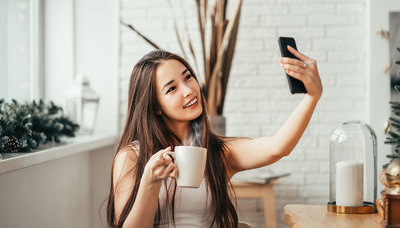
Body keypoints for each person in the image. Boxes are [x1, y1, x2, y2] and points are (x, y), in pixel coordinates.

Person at [107, 48, 322, 228]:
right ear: (155, 106)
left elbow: (278, 147)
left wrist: (312, 97)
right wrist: (150, 182)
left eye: (188, 77)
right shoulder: (132, 157)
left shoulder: (220, 152)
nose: (189, 90)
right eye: (172, 88)